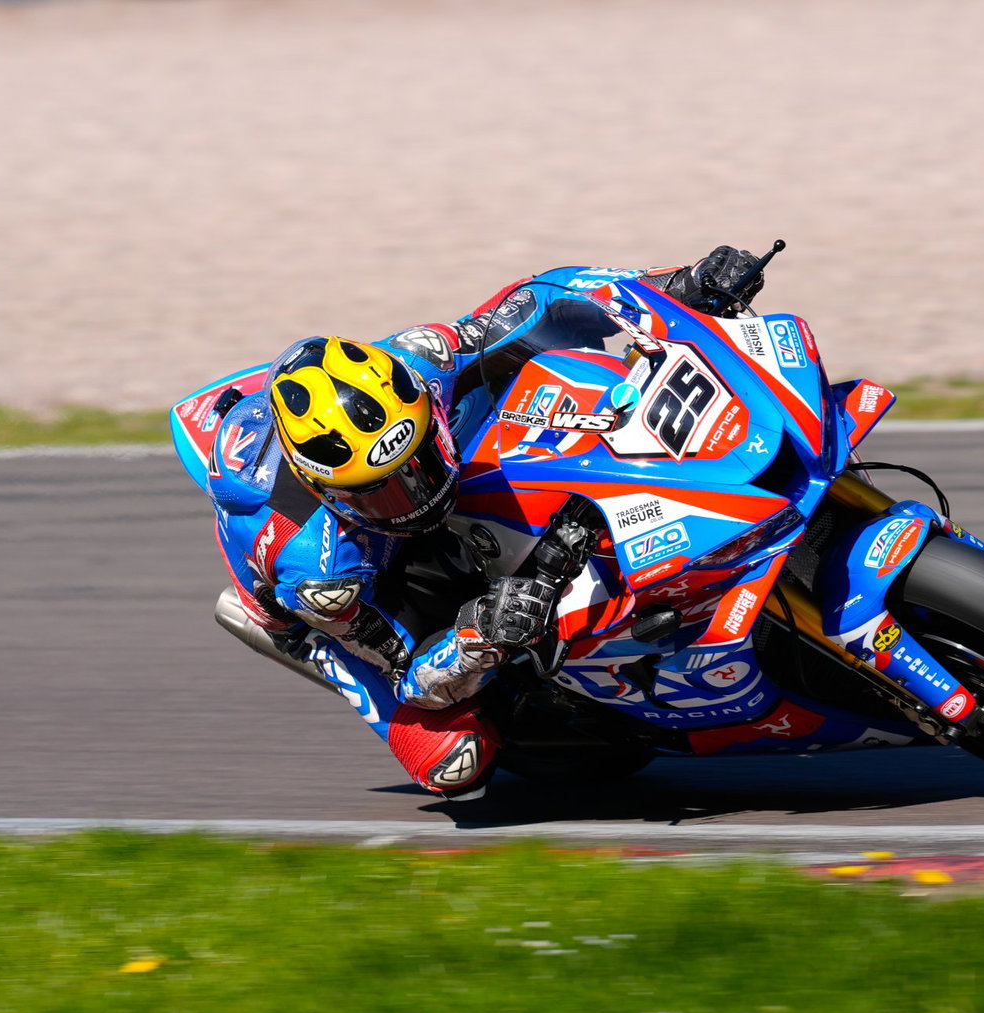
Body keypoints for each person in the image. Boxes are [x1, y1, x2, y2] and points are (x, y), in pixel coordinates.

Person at [204, 247, 766, 800]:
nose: (417, 496)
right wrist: (478, 635)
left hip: (386, 487)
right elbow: (411, 675)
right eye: (386, 491)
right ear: (324, 489)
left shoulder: (422, 363)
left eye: (420, 462)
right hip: (334, 611)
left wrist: (680, 288)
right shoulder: (320, 570)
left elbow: (544, 301)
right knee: (455, 763)